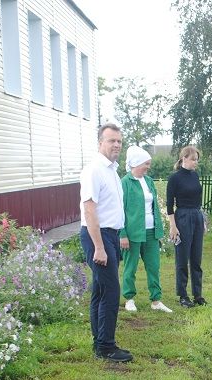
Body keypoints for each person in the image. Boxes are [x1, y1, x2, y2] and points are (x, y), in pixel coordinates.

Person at [79, 123, 133, 362]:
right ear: (100, 142)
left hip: (110, 235)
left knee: (100, 291)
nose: (117, 145)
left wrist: (115, 237)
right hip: (97, 235)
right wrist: (99, 247)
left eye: (119, 141)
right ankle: (106, 346)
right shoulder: (94, 170)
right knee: (111, 291)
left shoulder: (112, 170)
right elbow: (89, 209)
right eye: (111, 141)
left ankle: (99, 342)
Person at [119, 146, 173, 313]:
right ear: (136, 163)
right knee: (130, 267)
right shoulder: (124, 183)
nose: (148, 166)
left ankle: (156, 301)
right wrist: (122, 234)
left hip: (151, 232)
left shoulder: (149, 181)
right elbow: (119, 210)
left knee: (153, 266)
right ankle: (129, 299)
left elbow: (155, 207)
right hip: (132, 233)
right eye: (146, 163)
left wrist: (159, 230)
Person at [166, 146, 207, 308]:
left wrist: (202, 220)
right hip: (182, 217)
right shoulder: (174, 179)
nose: (196, 162)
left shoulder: (195, 176)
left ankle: (198, 294)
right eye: (193, 159)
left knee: (196, 258)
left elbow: (198, 201)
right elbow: (170, 205)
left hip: (196, 216)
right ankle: (183, 295)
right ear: (184, 158)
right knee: (182, 258)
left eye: (197, 159)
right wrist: (173, 226)